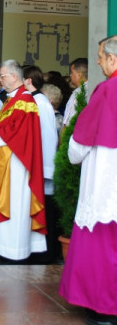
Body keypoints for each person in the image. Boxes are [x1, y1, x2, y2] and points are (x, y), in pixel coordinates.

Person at [59, 36, 117, 325]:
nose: (97, 61)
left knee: (102, 242)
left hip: (107, 178)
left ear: (113, 59)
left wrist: (73, 152)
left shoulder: (106, 90)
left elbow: (79, 142)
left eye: (100, 56)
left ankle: (105, 308)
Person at [0, 59, 47, 263]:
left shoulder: (25, 100)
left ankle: (13, 253)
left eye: (2, 76)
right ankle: (3, 250)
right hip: (6, 163)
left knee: (15, 206)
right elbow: (11, 126)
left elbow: (21, 133)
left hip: (16, 165)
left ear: (15, 76)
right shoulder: (12, 100)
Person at [23, 65, 59, 264]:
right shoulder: (37, 100)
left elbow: (43, 137)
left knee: (45, 212)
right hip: (40, 164)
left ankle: (46, 253)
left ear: (28, 80)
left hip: (42, 165)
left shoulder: (38, 102)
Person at [62, 58, 89, 130]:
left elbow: (68, 123)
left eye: (71, 72)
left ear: (79, 75)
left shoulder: (78, 93)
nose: (70, 75)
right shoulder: (95, 88)